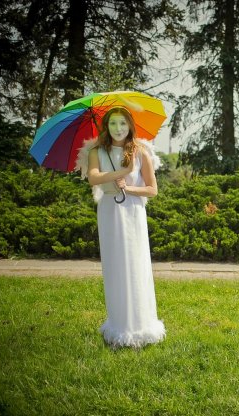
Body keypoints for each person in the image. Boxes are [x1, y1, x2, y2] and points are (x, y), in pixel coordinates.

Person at [82, 106, 166, 348]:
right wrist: (121, 172)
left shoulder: (141, 152)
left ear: (130, 125)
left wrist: (128, 187)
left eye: (122, 123)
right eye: (112, 124)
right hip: (109, 210)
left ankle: (141, 325)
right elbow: (93, 178)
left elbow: (152, 189)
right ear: (106, 127)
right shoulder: (97, 151)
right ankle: (119, 324)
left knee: (135, 263)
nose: (118, 128)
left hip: (133, 212)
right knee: (115, 264)